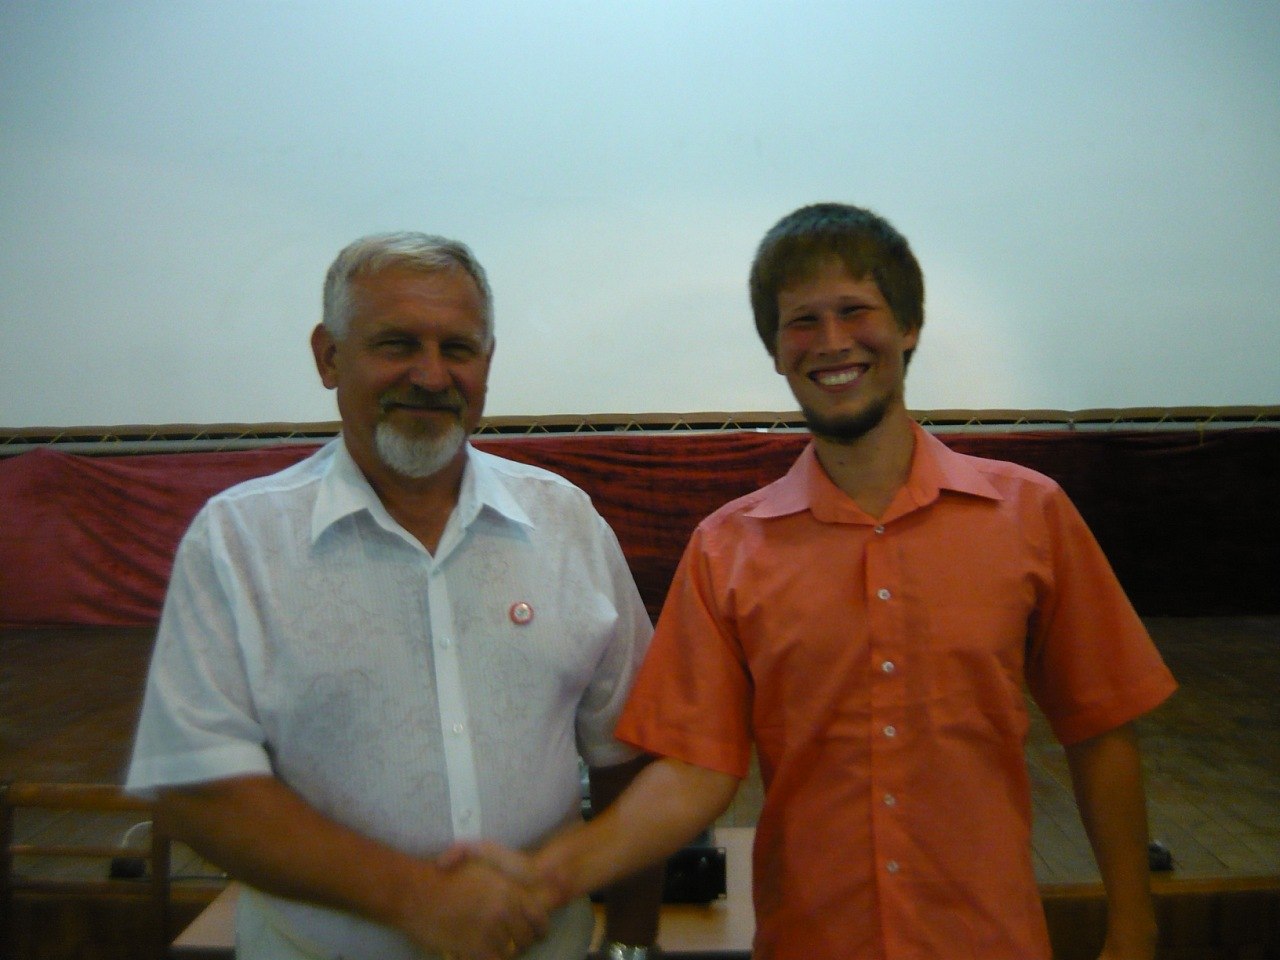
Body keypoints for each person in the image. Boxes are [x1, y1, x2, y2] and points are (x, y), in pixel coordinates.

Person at [464, 203, 1178, 960]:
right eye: (802, 321)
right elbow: (694, 774)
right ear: (776, 351)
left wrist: (1134, 929)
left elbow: (1100, 730)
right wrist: (550, 876)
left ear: (909, 326)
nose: (832, 341)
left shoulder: (1031, 515)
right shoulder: (726, 550)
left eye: (855, 310)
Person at [125, 232, 662, 960]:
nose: (432, 375)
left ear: (487, 363)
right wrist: (415, 900)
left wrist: (630, 946)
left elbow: (631, 758)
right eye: (396, 344)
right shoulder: (239, 541)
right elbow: (196, 786)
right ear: (328, 357)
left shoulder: (565, 521)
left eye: (458, 349)